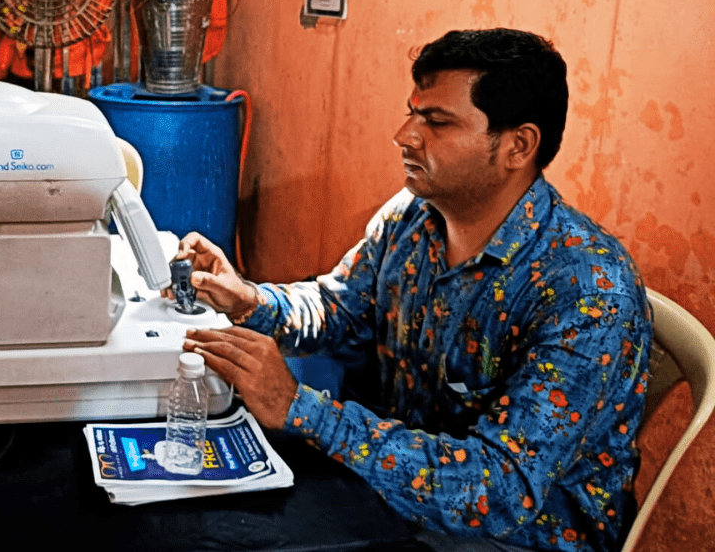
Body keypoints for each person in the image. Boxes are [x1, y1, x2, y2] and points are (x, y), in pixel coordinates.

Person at [177, 29, 652, 552]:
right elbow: (339, 310)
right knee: (199, 515)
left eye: (437, 122)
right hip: (395, 492)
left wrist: (299, 407)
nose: (405, 135)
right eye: (413, 114)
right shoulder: (413, 217)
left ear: (517, 145)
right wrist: (248, 299)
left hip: (517, 538)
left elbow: (499, 490)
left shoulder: (588, 291)